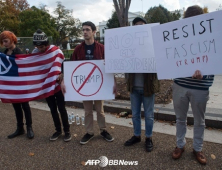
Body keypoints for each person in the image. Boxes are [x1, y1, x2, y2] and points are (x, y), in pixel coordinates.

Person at [171, 5, 214, 165]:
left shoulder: (211, 36)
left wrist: (205, 74)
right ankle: (180, 145)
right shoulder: (178, 37)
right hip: (180, 84)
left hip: (201, 87)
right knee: (180, 119)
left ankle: (197, 148)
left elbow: (214, 59)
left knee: (199, 121)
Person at [62, 21, 114, 145]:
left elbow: (111, 66)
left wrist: (113, 79)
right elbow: (71, 68)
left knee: (100, 110)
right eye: (83, 30)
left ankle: (103, 130)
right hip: (85, 86)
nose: (85, 32)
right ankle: (89, 132)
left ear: (94, 32)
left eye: (87, 30)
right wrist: (64, 80)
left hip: (98, 85)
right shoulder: (78, 49)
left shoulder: (102, 48)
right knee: (87, 111)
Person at [123, 17, 160, 152]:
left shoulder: (153, 45)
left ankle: (148, 138)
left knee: (149, 115)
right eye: (136, 26)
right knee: (135, 114)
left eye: (142, 25)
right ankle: (137, 135)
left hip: (148, 87)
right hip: (134, 86)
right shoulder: (129, 46)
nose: (139, 27)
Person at [32, 29, 71, 142]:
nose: (40, 49)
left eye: (42, 46)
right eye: (38, 47)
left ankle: (67, 131)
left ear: (46, 43)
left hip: (57, 84)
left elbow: (64, 64)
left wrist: (62, 74)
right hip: (46, 86)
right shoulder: (35, 53)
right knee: (52, 109)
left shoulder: (56, 51)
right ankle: (58, 130)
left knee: (61, 108)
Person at [0, 31, 34, 139]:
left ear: (12, 40)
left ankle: (29, 127)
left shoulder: (19, 52)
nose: (4, 43)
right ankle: (20, 128)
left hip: (21, 83)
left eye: (6, 41)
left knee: (25, 106)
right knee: (16, 107)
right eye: (3, 41)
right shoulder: (5, 53)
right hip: (11, 84)